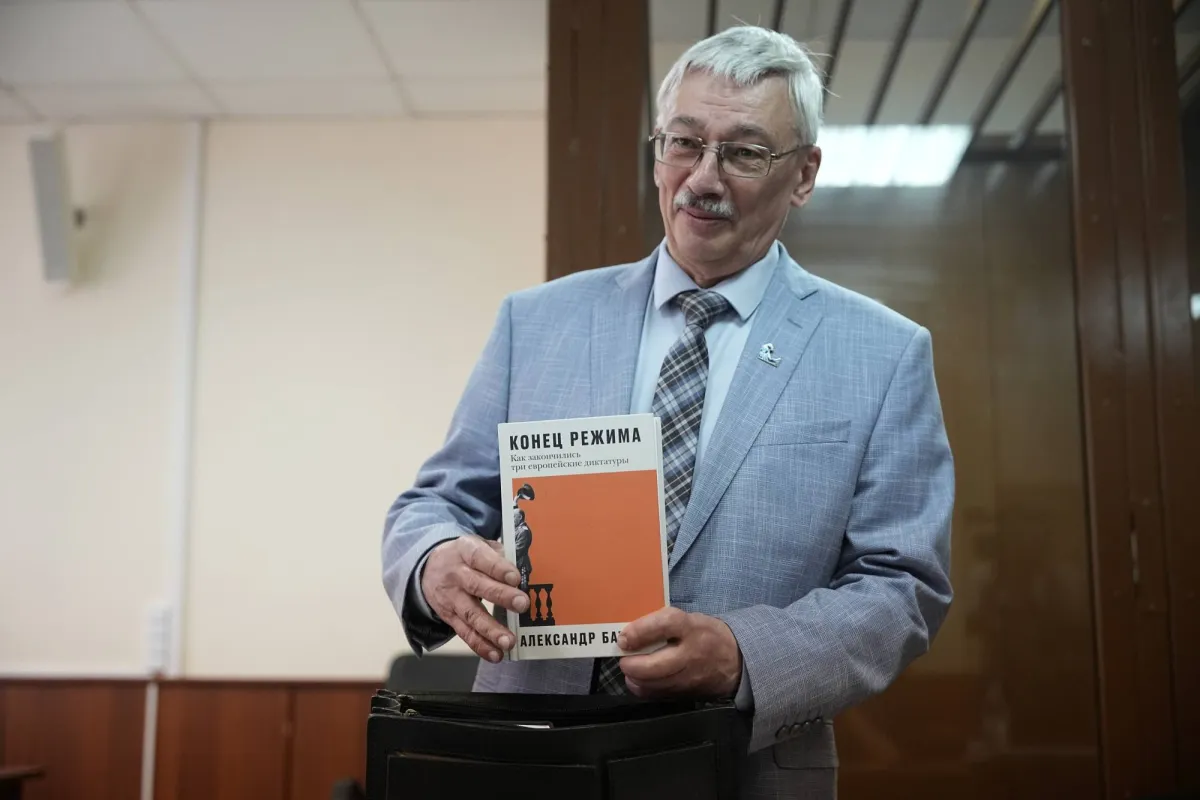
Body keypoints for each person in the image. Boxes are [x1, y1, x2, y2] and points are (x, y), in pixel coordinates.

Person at [381, 24, 953, 800]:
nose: (702, 179)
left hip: (743, 770)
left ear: (804, 174)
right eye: (684, 142)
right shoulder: (536, 323)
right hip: (530, 763)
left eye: (744, 153)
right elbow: (432, 505)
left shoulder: (882, 353)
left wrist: (744, 654)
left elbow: (903, 586)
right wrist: (433, 561)